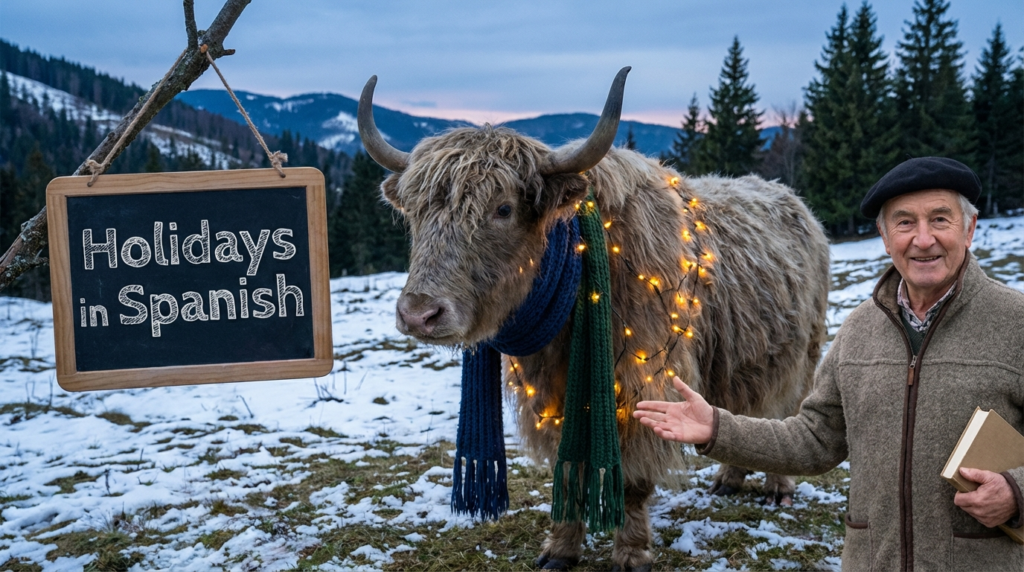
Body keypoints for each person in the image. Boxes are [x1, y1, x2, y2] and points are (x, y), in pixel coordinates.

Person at [634, 157, 1024, 572]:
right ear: (884, 236)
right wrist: (717, 427)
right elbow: (815, 439)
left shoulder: (1015, 324)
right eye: (905, 223)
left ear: (970, 229)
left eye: (940, 219)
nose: (922, 239)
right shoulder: (859, 330)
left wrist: (1017, 492)